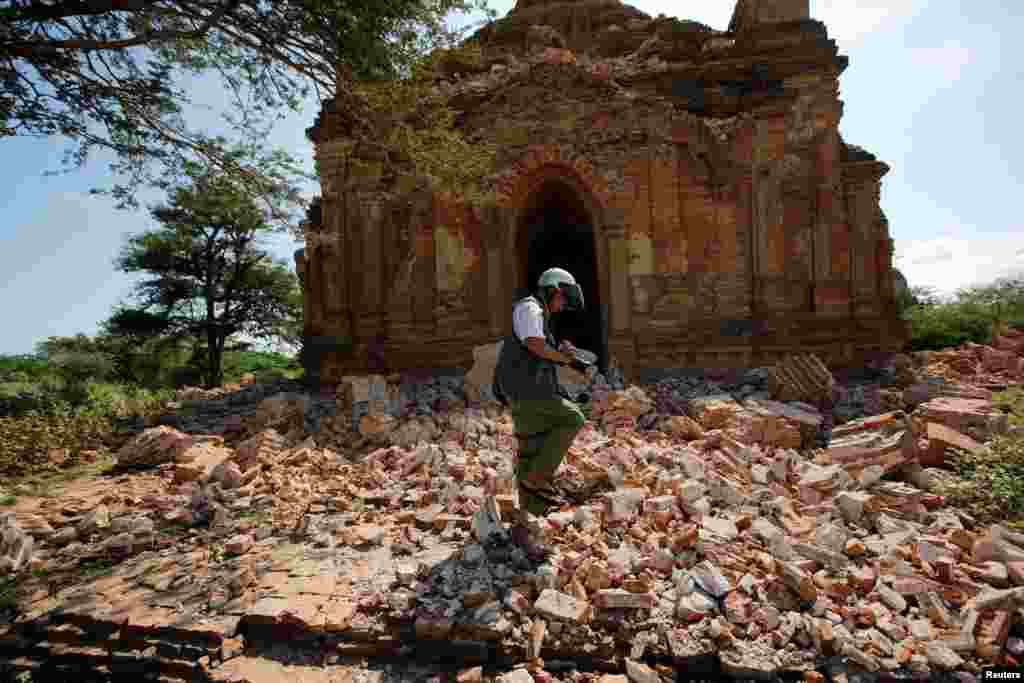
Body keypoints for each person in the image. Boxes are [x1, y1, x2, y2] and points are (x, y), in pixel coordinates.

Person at [493, 267, 591, 561]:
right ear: (552, 291)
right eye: (561, 299)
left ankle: (524, 530)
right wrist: (565, 359)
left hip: (527, 391)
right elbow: (534, 345)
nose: (562, 306)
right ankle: (538, 478)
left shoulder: (537, 315)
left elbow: (540, 344)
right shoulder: (529, 308)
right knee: (573, 418)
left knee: (531, 449)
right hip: (527, 391)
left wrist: (562, 349)